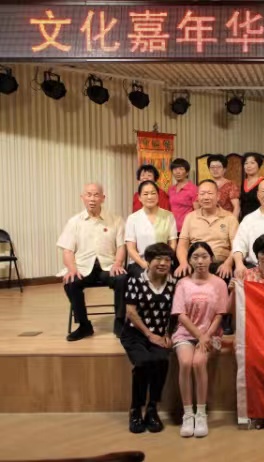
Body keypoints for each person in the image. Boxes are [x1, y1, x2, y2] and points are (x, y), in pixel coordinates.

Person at [57, 183, 127, 341]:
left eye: (96, 195)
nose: (92, 199)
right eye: (88, 195)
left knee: (122, 279)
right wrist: (72, 268)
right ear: (82, 198)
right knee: (70, 282)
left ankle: (120, 322)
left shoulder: (116, 220)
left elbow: (121, 246)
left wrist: (118, 263)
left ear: (103, 198)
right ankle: (84, 325)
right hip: (83, 267)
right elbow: (67, 251)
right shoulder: (74, 222)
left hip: (108, 266)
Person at [172, 242, 228, 438]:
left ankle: (201, 413)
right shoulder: (182, 283)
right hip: (186, 333)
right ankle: (188, 414)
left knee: (198, 362)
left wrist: (206, 336)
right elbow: (180, 315)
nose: (200, 261)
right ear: (189, 260)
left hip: (211, 334)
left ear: (211, 259)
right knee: (186, 362)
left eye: (204, 256)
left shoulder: (219, 283)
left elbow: (220, 314)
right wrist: (199, 335)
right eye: (195, 257)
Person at [120, 243, 177, 434]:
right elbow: (131, 312)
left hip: (160, 335)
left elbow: (175, 312)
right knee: (143, 363)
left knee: (161, 361)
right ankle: (135, 409)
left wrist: (168, 334)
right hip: (135, 334)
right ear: (148, 261)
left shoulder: (174, 283)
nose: (163, 263)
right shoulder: (136, 281)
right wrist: (149, 334)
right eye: (158, 259)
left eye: (167, 260)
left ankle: (152, 408)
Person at [174, 179, 238, 280]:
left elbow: (237, 246)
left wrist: (228, 264)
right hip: (195, 264)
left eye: (210, 193)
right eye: (202, 194)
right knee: (180, 274)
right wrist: (183, 263)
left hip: (220, 265)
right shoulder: (190, 217)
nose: (206, 197)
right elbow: (182, 245)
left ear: (218, 196)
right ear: (198, 197)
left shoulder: (230, 218)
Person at [125, 181, 177, 279]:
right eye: (145, 194)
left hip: (164, 262)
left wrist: (165, 261)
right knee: (145, 277)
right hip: (140, 263)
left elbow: (172, 243)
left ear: (158, 195)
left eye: (153, 193)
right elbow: (131, 249)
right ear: (139, 197)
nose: (150, 197)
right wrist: (144, 264)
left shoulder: (168, 216)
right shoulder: (133, 218)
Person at [168, 158, 199, 234]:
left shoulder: (193, 189)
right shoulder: (171, 189)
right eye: (175, 169)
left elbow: (197, 211)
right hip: (172, 228)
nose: (177, 172)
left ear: (187, 172)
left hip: (187, 228)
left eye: (181, 169)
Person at [206, 154, 240, 218]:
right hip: (208, 218)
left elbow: (236, 207)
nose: (215, 169)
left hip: (226, 219)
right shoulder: (206, 184)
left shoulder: (231, 185)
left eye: (218, 167)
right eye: (212, 167)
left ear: (224, 169)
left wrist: (232, 222)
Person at [239, 152, 264, 221]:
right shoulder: (243, 182)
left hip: (260, 220)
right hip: (244, 220)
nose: (248, 166)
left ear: (259, 165)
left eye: (252, 163)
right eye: (246, 163)